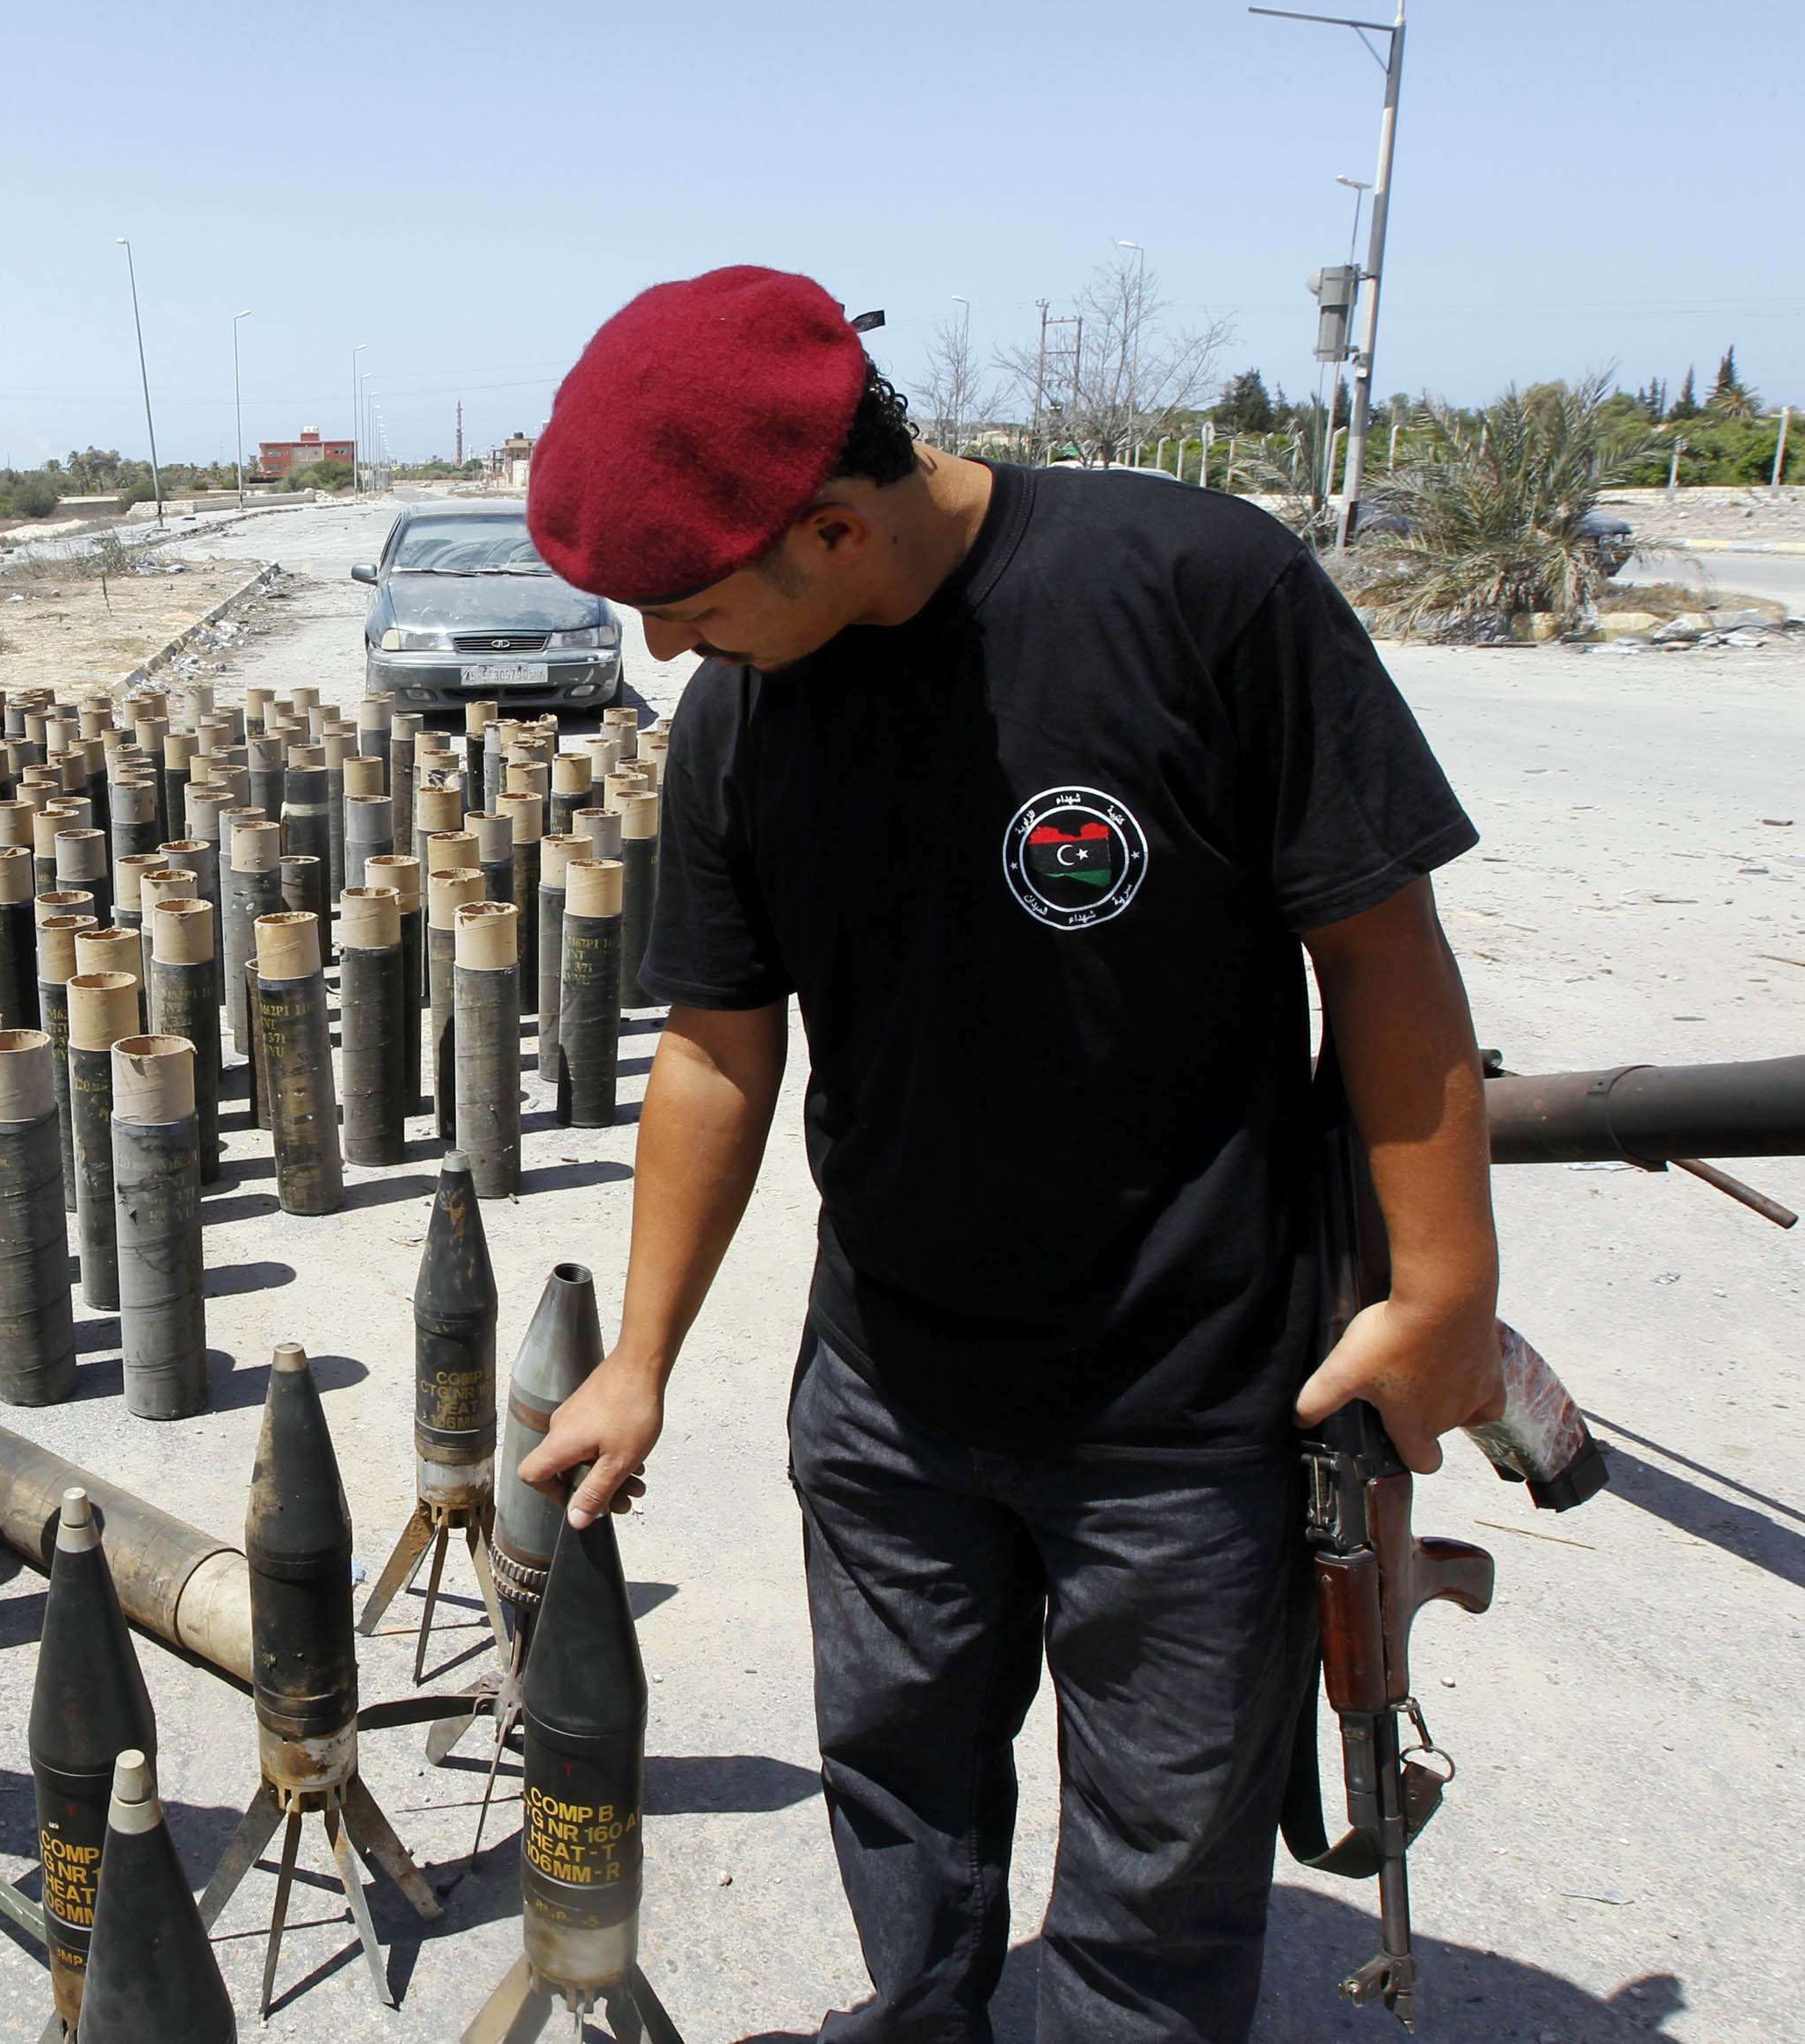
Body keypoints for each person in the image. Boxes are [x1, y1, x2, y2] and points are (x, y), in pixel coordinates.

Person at [513, 267, 1503, 2044]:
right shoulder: (744, 718)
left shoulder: (1196, 590)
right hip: (890, 1404)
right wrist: (641, 1360)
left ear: (827, 524)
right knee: (902, 1802)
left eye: (685, 603)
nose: (660, 650)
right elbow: (721, 1051)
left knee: (1154, 1890)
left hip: (1186, 1414)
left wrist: (1443, 1291)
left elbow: (1379, 951)